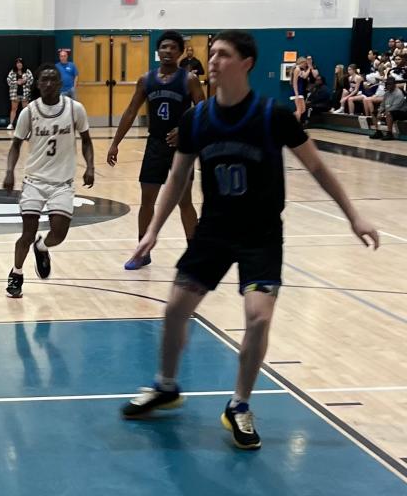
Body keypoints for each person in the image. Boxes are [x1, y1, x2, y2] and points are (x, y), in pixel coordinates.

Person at [121, 30, 379, 450]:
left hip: (260, 233)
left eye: (223, 54)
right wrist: (152, 231)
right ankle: (166, 385)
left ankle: (239, 405)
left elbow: (317, 169)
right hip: (214, 231)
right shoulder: (197, 119)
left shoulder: (272, 115)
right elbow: (177, 177)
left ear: (247, 63)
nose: (214, 61)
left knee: (258, 317)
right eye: (212, 54)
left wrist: (354, 215)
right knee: (173, 309)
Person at [106, 30, 205, 270]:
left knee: (184, 201)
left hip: (182, 148)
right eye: (164, 47)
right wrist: (115, 142)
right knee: (147, 200)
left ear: (180, 52)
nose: (168, 51)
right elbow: (131, 111)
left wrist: (185, 129)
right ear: (158, 51)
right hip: (155, 144)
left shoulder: (189, 79)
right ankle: (142, 252)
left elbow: (203, 110)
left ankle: (194, 254)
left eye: (173, 47)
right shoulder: (146, 79)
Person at [3, 63, 94, 298]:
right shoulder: (30, 111)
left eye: (53, 79)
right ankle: (16, 273)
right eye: (44, 80)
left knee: (60, 233)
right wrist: (9, 171)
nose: (49, 83)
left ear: (60, 83)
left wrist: (90, 166)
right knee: (27, 232)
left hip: (62, 182)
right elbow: (15, 145)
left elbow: (86, 140)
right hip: (34, 180)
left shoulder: (75, 109)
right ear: (38, 83)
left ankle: (42, 248)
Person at [6, 58, 33, 130]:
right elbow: (8, 81)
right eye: (17, 63)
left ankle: (27, 125)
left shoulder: (27, 71)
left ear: (22, 64)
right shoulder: (12, 72)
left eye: (20, 63)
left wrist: (25, 81)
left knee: (25, 110)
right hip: (15, 93)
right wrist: (16, 82)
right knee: (13, 109)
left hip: (25, 93)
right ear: (16, 64)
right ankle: (11, 124)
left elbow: (31, 81)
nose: (19, 64)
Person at [290, 56, 311, 121]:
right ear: (302, 62)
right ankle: (296, 126)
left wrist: (309, 68)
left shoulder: (299, 70)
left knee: (303, 109)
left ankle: (289, 119)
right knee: (299, 110)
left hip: (300, 92)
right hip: (297, 92)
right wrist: (296, 93)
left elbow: (304, 76)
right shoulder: (297, 69)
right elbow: (294, 82)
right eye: (305, 64)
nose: (305, 65)